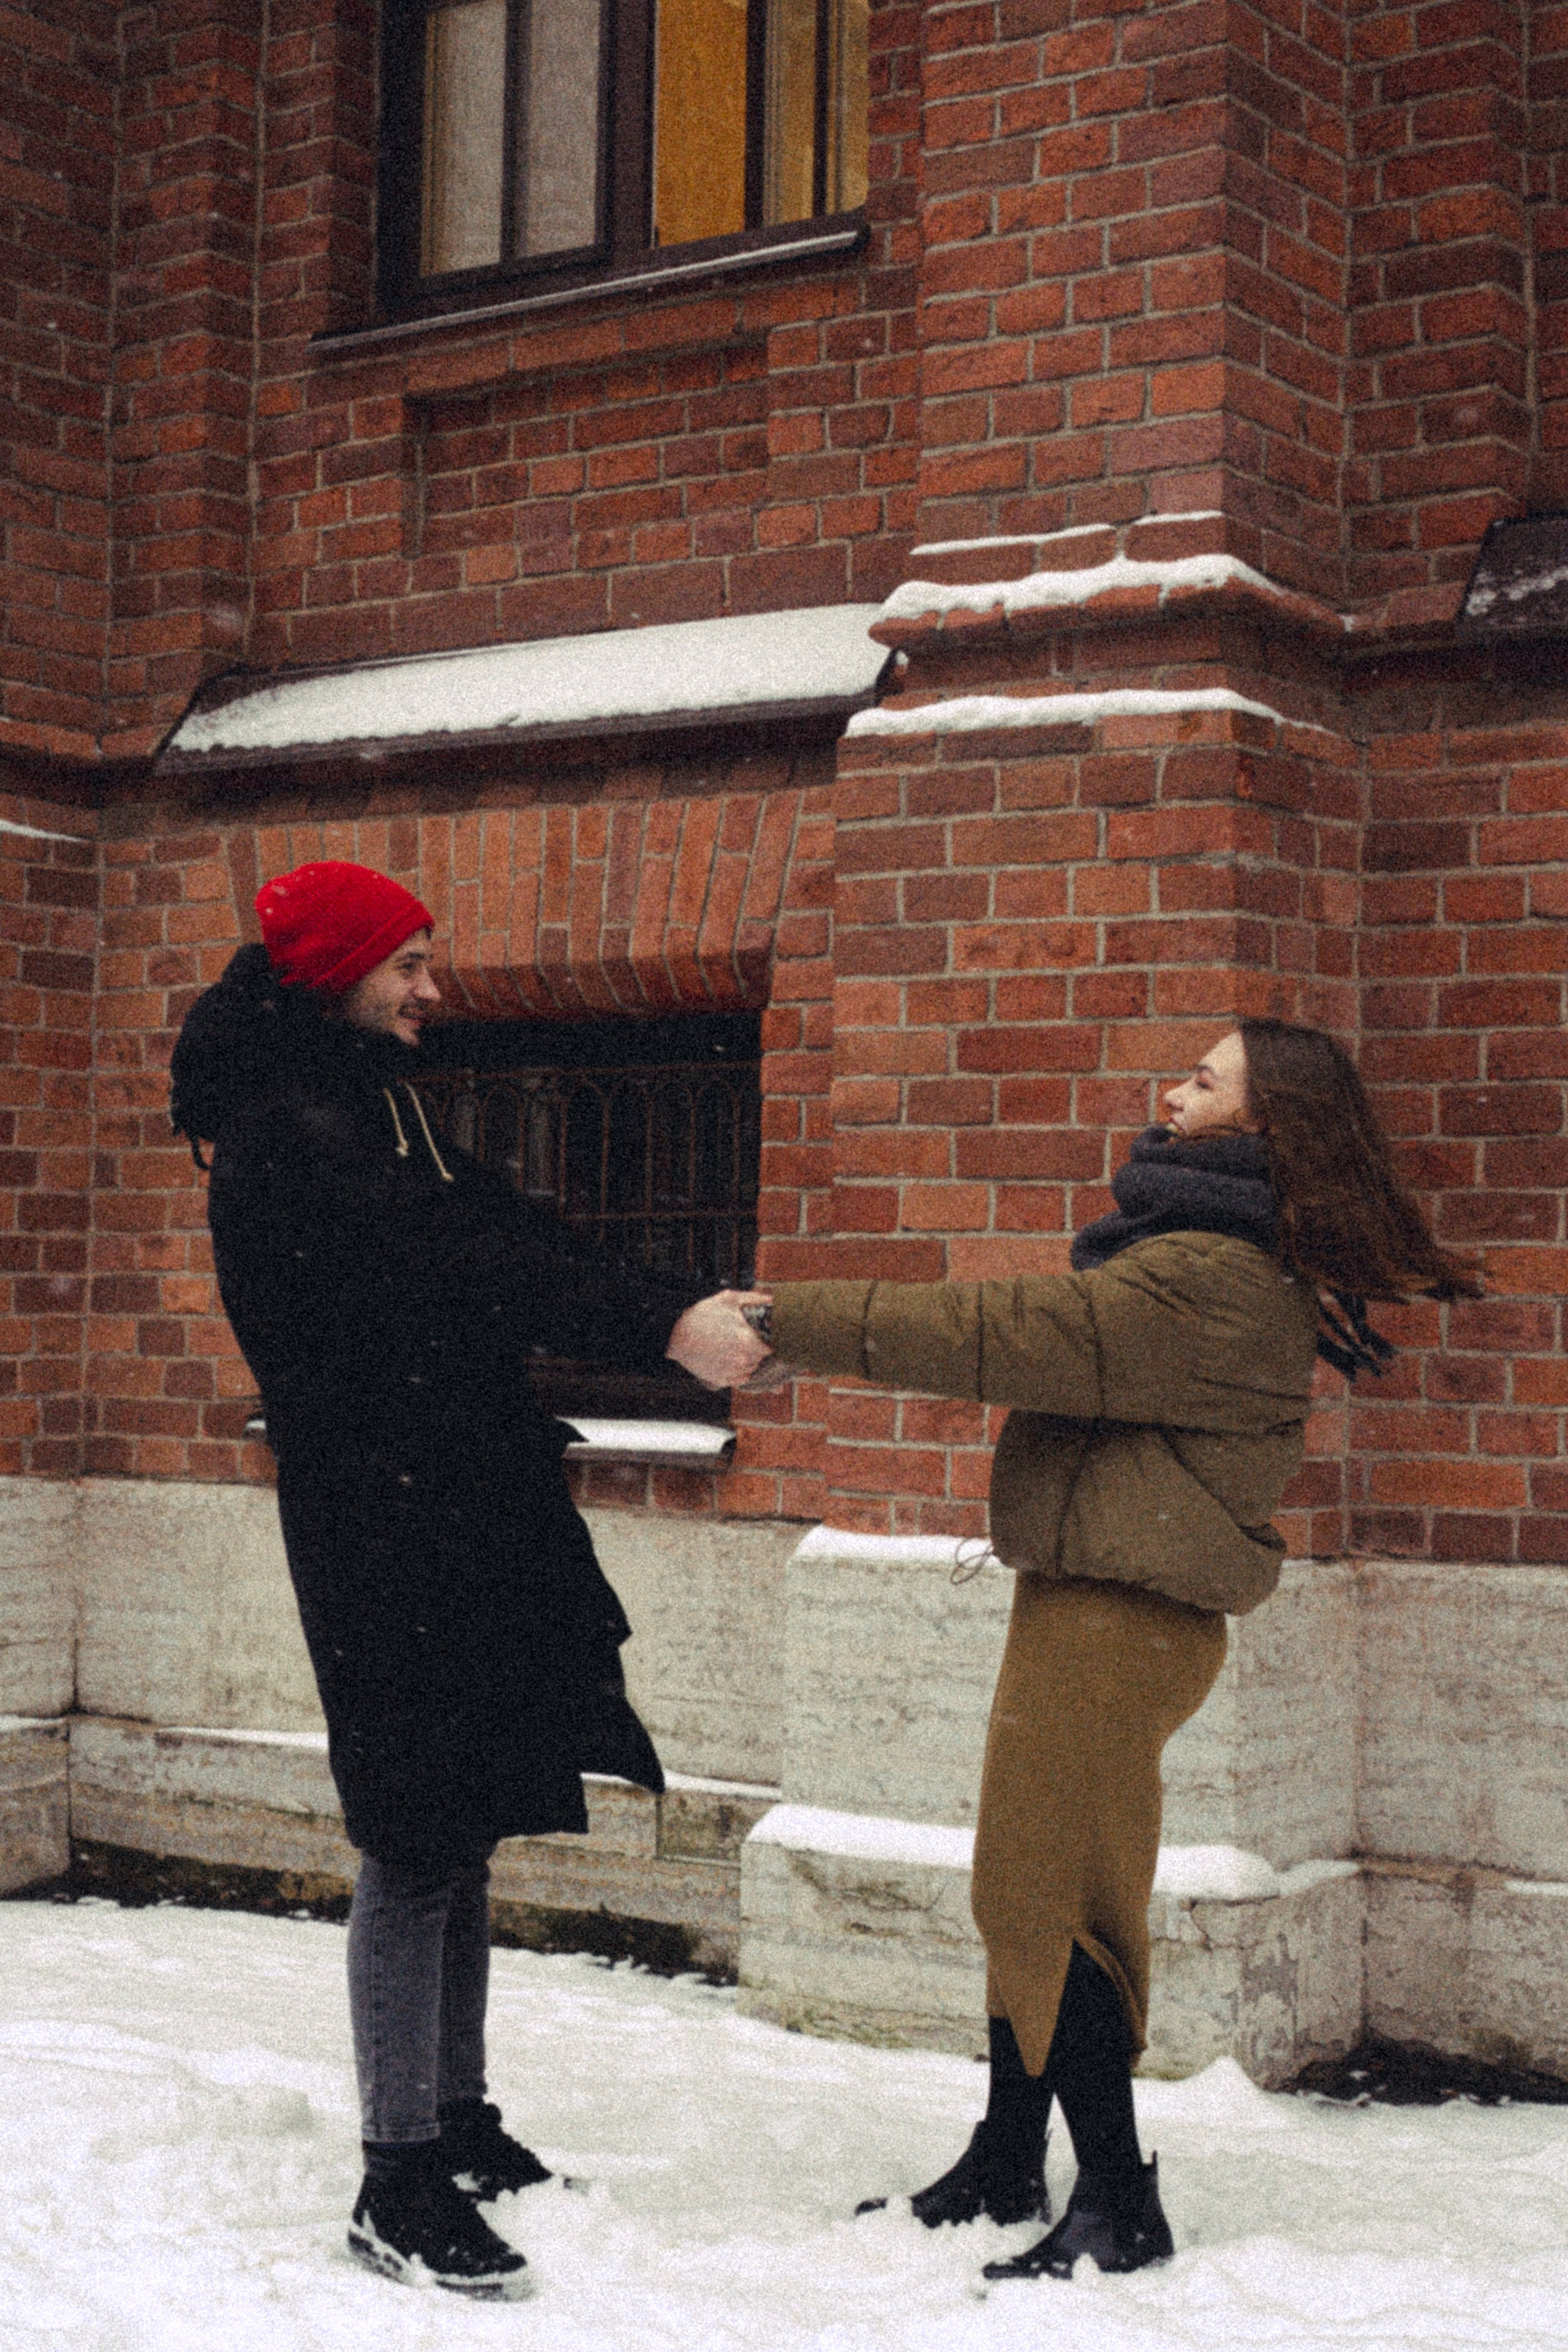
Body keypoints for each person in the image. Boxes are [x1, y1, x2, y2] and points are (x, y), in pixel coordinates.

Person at [748, 1020, 1479, 2284]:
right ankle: (1002, 2156)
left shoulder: (1204, 1277)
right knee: (1040, 1882)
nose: (1171, 1089)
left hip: (1119, 1621)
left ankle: (1119, 2201)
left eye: (1204, 1079)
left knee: (1042, 1894)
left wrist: (782, 1321)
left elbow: (998, 1329)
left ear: (1261, 1125)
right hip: (1089, 1603)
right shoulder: (1204, 1254)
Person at [169, 863, 769, 2298]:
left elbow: (501, 1223)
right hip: (383, 1513)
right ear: (336, 972)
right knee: (413, 1826)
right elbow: (465, 1259)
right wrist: (660, 1328)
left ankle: (455, 2120)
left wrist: (666, 1304)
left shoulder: (362, 1095)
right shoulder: (295, 1129)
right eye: (410, 963)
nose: (435, 988)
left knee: (462, 1817)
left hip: (445, 1495)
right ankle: (396, 2179)